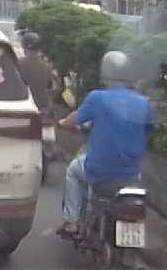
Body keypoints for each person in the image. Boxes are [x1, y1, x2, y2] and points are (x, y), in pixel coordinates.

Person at [55, 51, 153, 238]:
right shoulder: (144, 103)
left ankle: (72, 223)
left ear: (105, 73)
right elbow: (147, 130)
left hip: (100, 172)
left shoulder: (97, 98)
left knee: (73, 171)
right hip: (132, 175)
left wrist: (63, 122)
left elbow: (74, 119)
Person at [17, 32, 54, 119]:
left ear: (24, 47)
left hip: (23, 109)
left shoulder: (17, 64)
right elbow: (52, 88)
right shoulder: (48, 67)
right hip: (44, 111)